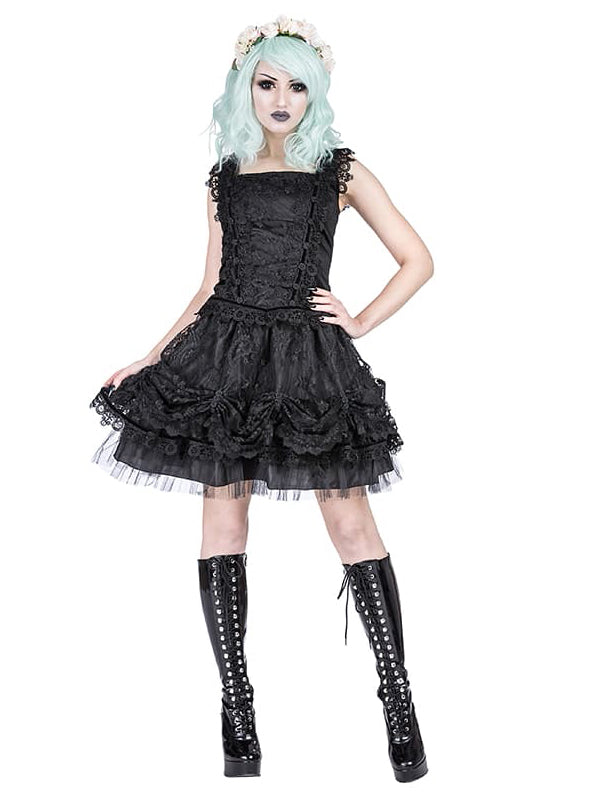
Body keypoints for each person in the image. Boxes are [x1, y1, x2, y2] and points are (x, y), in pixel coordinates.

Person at [89, 16, 434, 783]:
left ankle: (398, 698)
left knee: (350, 522)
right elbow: (209, 286)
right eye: (267, 82)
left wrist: (360, 320)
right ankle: (237, 708)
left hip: (308, 361)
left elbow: (418, 258)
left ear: (317, 93)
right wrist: (152, 357)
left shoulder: (339, 171)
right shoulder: (225, 174)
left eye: (298, 85)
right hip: (226, 355)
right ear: (245, 88)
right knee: (224, 520)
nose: (282, 98)